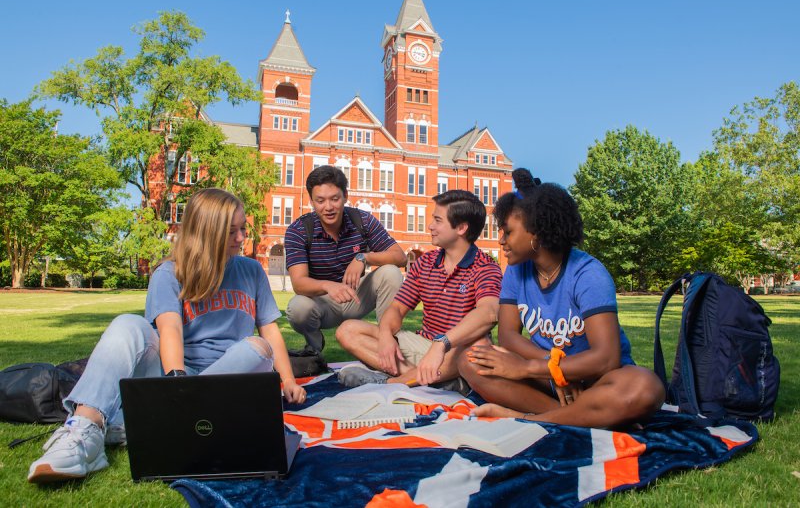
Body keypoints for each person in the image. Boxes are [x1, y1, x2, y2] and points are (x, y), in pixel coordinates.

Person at [28, 188, 306, 484]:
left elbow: (270, 329)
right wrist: (177, 384)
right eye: (231, 232)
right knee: (127, 324)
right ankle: (84, 430)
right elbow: (169, 329)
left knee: (258, 347)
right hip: (176, 378)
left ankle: (148, 423)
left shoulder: (251, 270)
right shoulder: (169, 273)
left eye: (242, 229)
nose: (241, 238)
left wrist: (288, 380)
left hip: (230, 377)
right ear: (206, 232)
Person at [458, 169, 665, 428]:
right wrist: (553, 371)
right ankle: (590, 415)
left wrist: (528, 369)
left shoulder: (588, 274)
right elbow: (508, 336)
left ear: (537, 232)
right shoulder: (515, 270)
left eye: (508, 232)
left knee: (646, 387)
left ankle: (525, 418)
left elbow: (607, 358)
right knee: (470, 358)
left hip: (596, 378)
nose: (501, 241)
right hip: (550, 379)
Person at [336, 190, 501, 391]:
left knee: (477, 346)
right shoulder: (425, 262)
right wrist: (387, 335)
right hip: (422, 344)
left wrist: (442, 344)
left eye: (438, 220)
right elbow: (397, 308)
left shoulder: (485, 267)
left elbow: (489, 313)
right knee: (347, 330)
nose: (430, 226)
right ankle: (432, 380)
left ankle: (390, 383)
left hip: (454, 352)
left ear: (461, 228)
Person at [285, 166, 406, 353]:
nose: (328, 207)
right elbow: (299, 283)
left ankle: (387, 341)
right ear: (311, 201)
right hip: (322, 303)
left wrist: (363, 257)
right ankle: (314, 349)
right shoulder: (298, 230)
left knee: (390, 272)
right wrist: (328, 286)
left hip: (357, 296)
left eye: (335, 199)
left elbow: (401, 257)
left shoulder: (362, 220)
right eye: (320, 200)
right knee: (297, 307)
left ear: (345, 196)